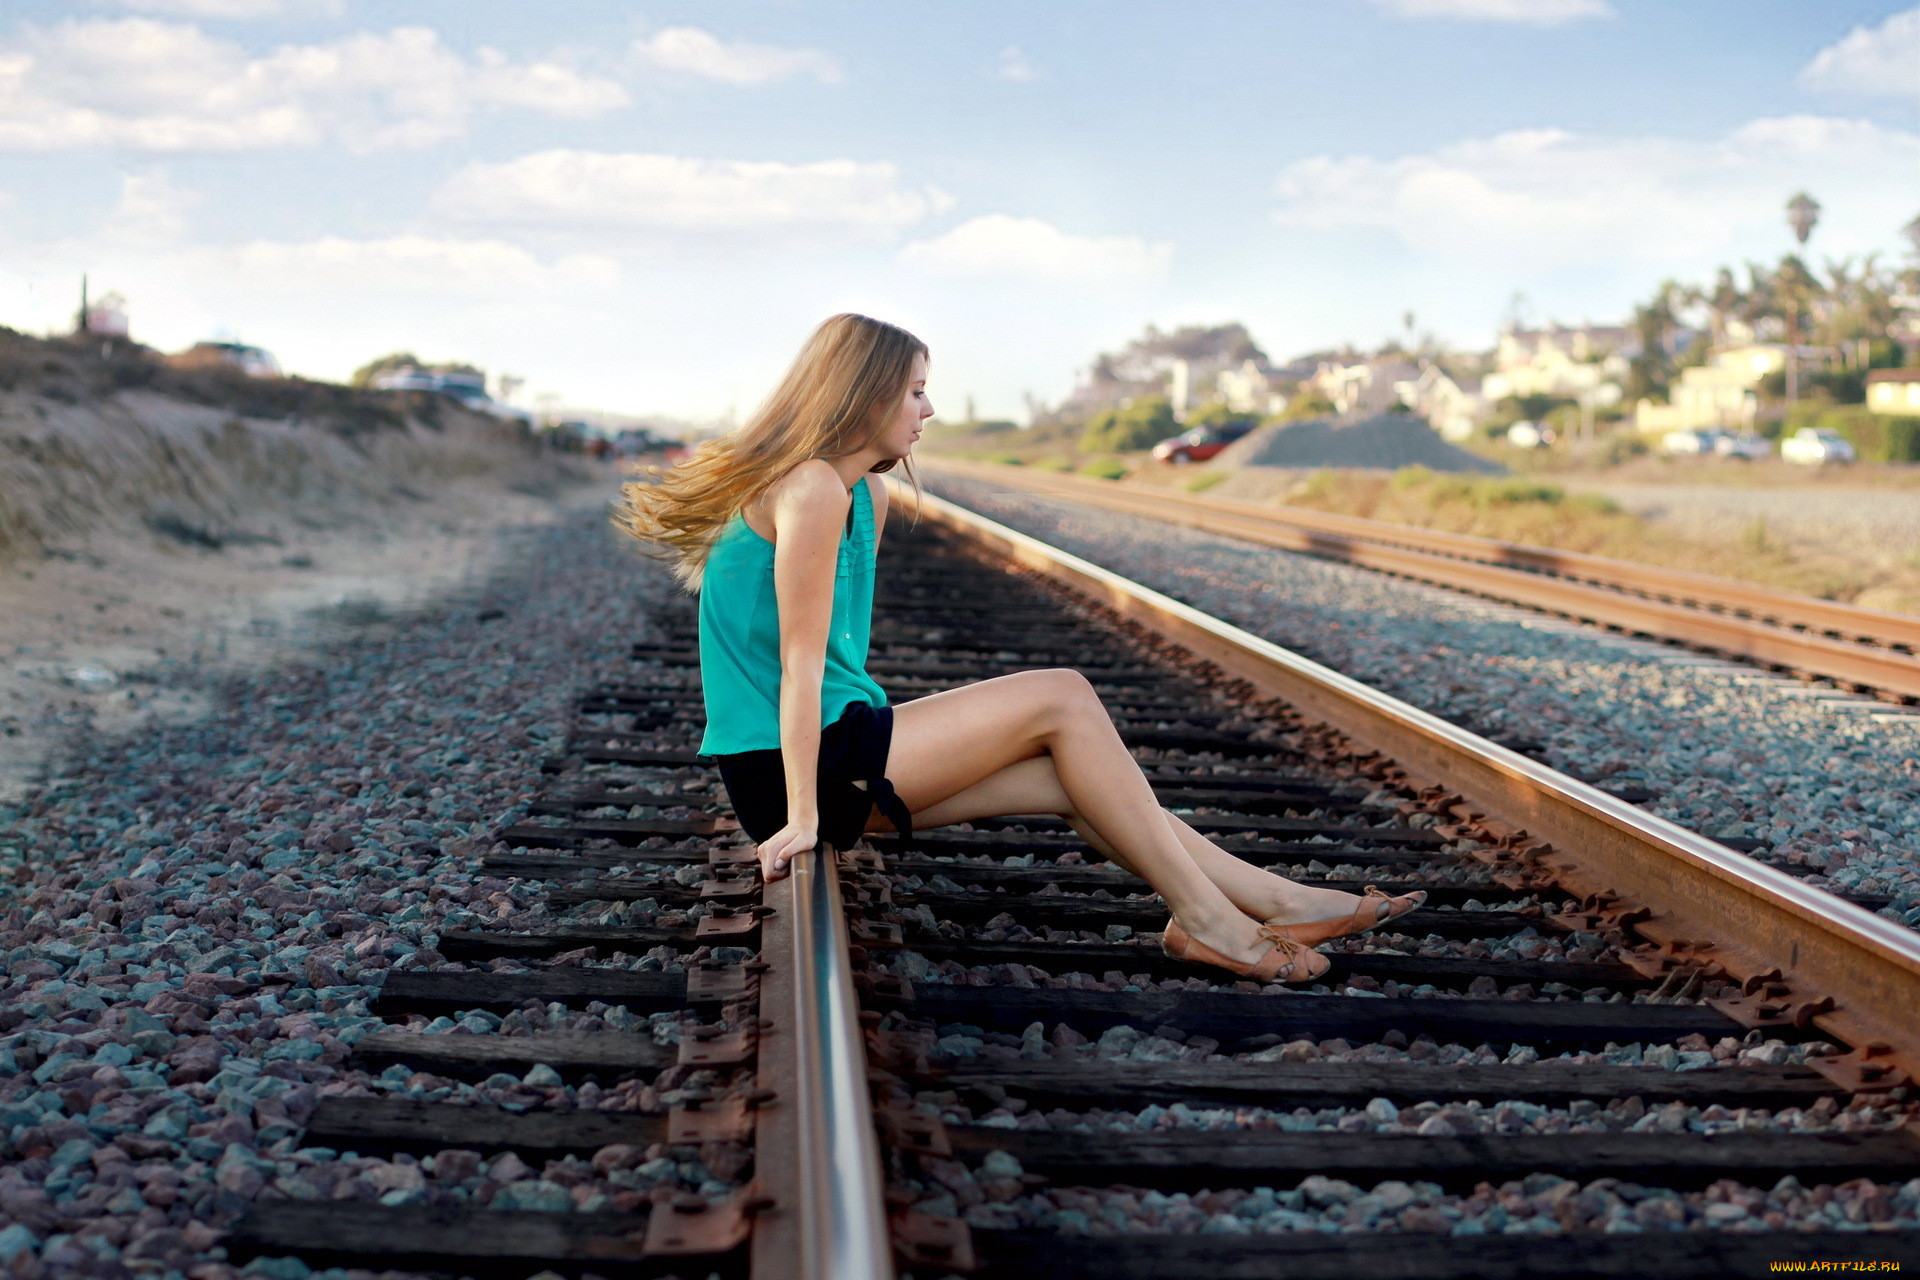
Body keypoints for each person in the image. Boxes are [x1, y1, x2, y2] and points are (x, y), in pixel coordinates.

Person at [614, 314, 1422, 983]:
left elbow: (834, 664)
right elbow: (797, 664)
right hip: (794, 764)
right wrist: (798, 817)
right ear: (861, 395)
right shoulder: (810, 490)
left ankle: (1277, 904)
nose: (927, 410)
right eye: (916, 390)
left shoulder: (867, 493)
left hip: (837, 740)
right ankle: (1213, 921)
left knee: (1076, 780)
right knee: (1062, 693)